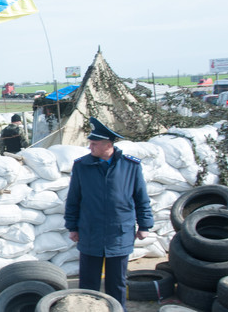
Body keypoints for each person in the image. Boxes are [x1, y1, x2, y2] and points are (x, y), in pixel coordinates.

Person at [64, 117, 153, 311]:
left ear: (108, 145)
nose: (90, 147)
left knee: (117, 282)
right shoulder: (82, 166)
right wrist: (72, 226)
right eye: (90, 143)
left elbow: (141, 199)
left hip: (119, 233)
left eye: (94, 144)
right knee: (88, 282)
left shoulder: (131, 166)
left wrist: (145, 225)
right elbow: (73, 200)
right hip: (90, 232)